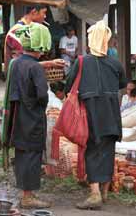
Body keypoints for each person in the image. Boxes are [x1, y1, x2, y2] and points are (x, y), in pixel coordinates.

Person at [65, 20, 127, 210]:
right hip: (112, 115)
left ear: (92, 39)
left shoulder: (82, 61)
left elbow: (68, 85)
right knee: (108, 152)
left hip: (91, 114)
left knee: (92, 151)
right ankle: (105, 192)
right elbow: (122, 85)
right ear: (106, 40)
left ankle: (94, 194)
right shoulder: (116, 64)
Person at [2, 22, 51, 208]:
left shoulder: (15, 64)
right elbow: (42, 95)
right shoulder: (35, 67)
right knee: (32, 156)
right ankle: (28, 197)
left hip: (17, 117)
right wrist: (40, 106)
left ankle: (24, 193)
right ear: (41, 45)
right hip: (33, 118)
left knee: (22, 154)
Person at [4, 4, 65, 72]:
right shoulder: (18, 31)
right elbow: (22, 65)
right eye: (44, 12)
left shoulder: (30, 30)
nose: (45, 16)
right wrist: (50, 63)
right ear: (34, 12)